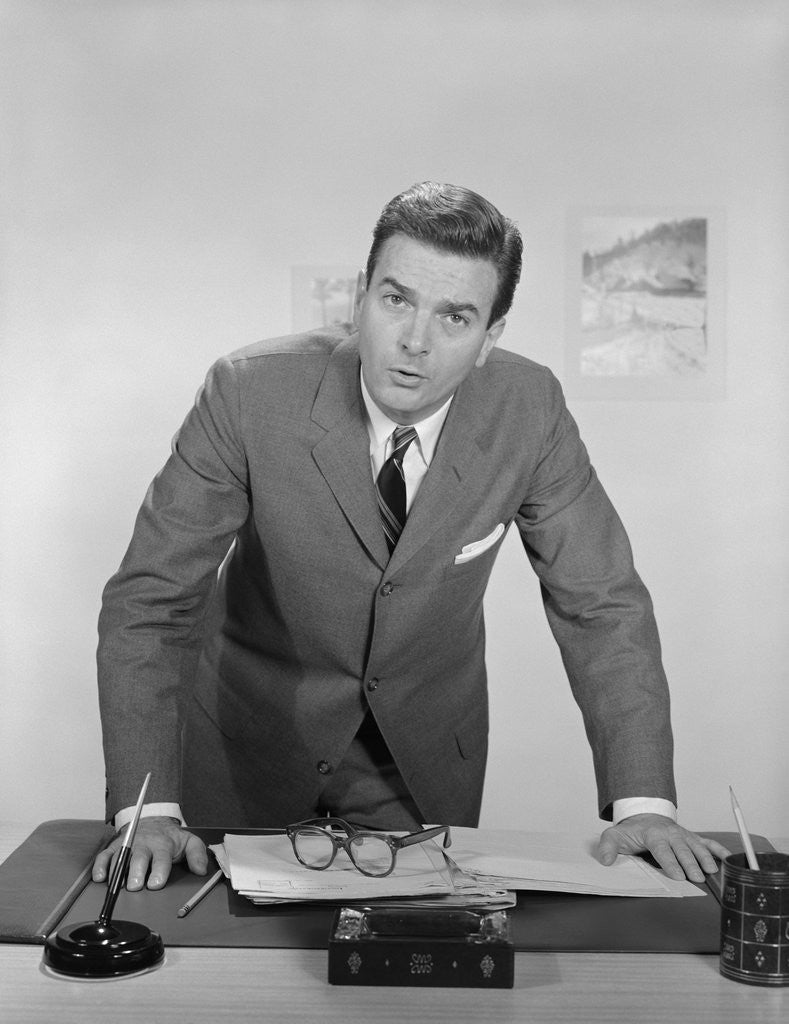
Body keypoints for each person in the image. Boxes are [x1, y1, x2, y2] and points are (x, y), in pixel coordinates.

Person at [92, 181, 728, 892]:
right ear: (361, 296)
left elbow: (600, 605)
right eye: (395, 300)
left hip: (417, 764)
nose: (414, 342)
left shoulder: (530, 410)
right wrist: (142, 808)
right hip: (245, 746)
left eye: (454, 317)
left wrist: (643, 802)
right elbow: (152, 604)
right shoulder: (246, 394)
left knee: (409, 979)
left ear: (490, 338)